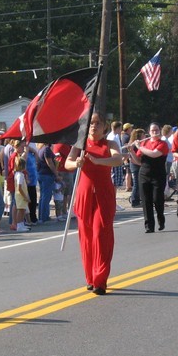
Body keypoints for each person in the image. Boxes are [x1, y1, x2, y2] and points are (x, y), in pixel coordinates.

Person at [65, 113, 123, 295]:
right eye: (91, 123)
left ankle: (100, 280)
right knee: (86, 238)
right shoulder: (79, 144)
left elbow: (118, 159)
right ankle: (90, 278)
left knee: (101, 235)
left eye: (98, 123)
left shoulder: (110, 144)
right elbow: (67, 163)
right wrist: (76, 163)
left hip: (103, 195)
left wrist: (98, 161)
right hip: (84, 195)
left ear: (104, 127)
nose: (94, 126)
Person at [128, 122, 169, 233]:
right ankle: (149, 226)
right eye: (152, 131)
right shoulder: (145, 143)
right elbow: (138, 161)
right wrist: (131, 151)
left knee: (157, 199)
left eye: (156, 130)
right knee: (146, 201)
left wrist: (139, 147)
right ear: (149, 132)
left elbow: (154, 154)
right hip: (144, 175)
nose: (154, 132)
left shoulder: (163, 144)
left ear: (159, 130)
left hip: (158, 175)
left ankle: (161, 219)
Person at [13, 155, 31, 232]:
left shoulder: (18, 174)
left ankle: (21, 224)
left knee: (22, 210)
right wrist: (25, 196)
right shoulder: (20, 175)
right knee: (21, 210)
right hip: (21, 195)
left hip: (19, 195)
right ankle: (19, 226)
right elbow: (19, 187)